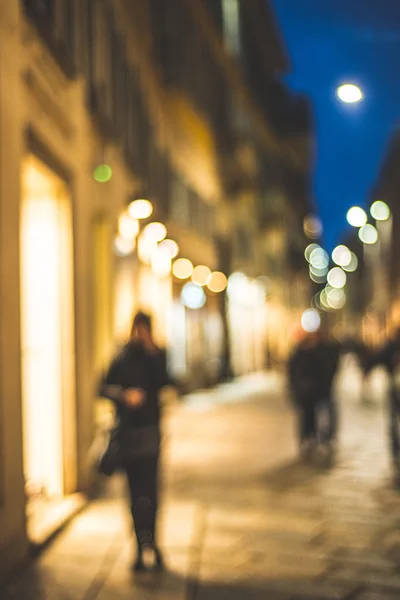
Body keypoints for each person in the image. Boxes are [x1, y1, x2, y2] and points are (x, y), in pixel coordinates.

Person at [101, 312, 171, 572]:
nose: (140, 334)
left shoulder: (157, 356)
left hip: (150, 432)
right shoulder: (122, 357)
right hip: (128, 435)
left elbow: (166, 381)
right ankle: (138, 547)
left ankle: (153, 541)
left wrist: (153, 351)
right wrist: (123, 396)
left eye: (145, 329)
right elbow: (104, 386)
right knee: (133, 494)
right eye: (138, 329)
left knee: (152, 492)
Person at [288, 329, 340, 457]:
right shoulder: (301, 354)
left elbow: (328, 368)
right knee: (308, 415)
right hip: (307, 391)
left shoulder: (318, 352)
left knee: (319, 414)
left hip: (317, 390)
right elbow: (293, 373)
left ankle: (321, 438)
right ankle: (310, 438)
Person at [365, 327, 400, 469]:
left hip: (394, 387)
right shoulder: (391, 346)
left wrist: (366, 371)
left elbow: (376, 358)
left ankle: (395, 451)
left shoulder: (391, 345)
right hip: (394, 388)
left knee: (393, 420)